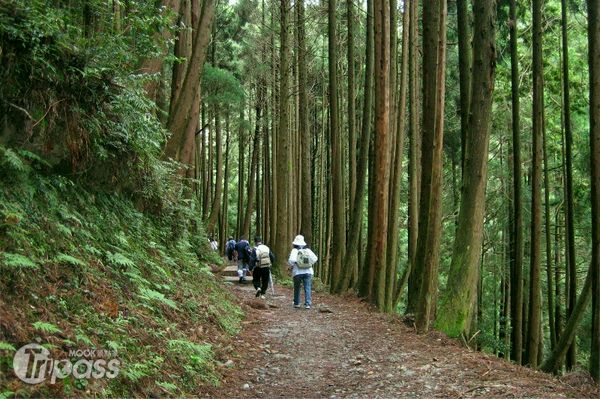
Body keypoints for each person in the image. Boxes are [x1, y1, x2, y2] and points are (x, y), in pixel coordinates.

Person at [287, 234, 318, 309]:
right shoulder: (308, 250)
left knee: (297, 287)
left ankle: (297, 303)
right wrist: (308, 263)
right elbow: (315, 258)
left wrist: (295, 264)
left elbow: (291, 260)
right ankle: (308, 303)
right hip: (308, 271)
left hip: (297, 272)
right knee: (307, 287)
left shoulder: (294, 250)